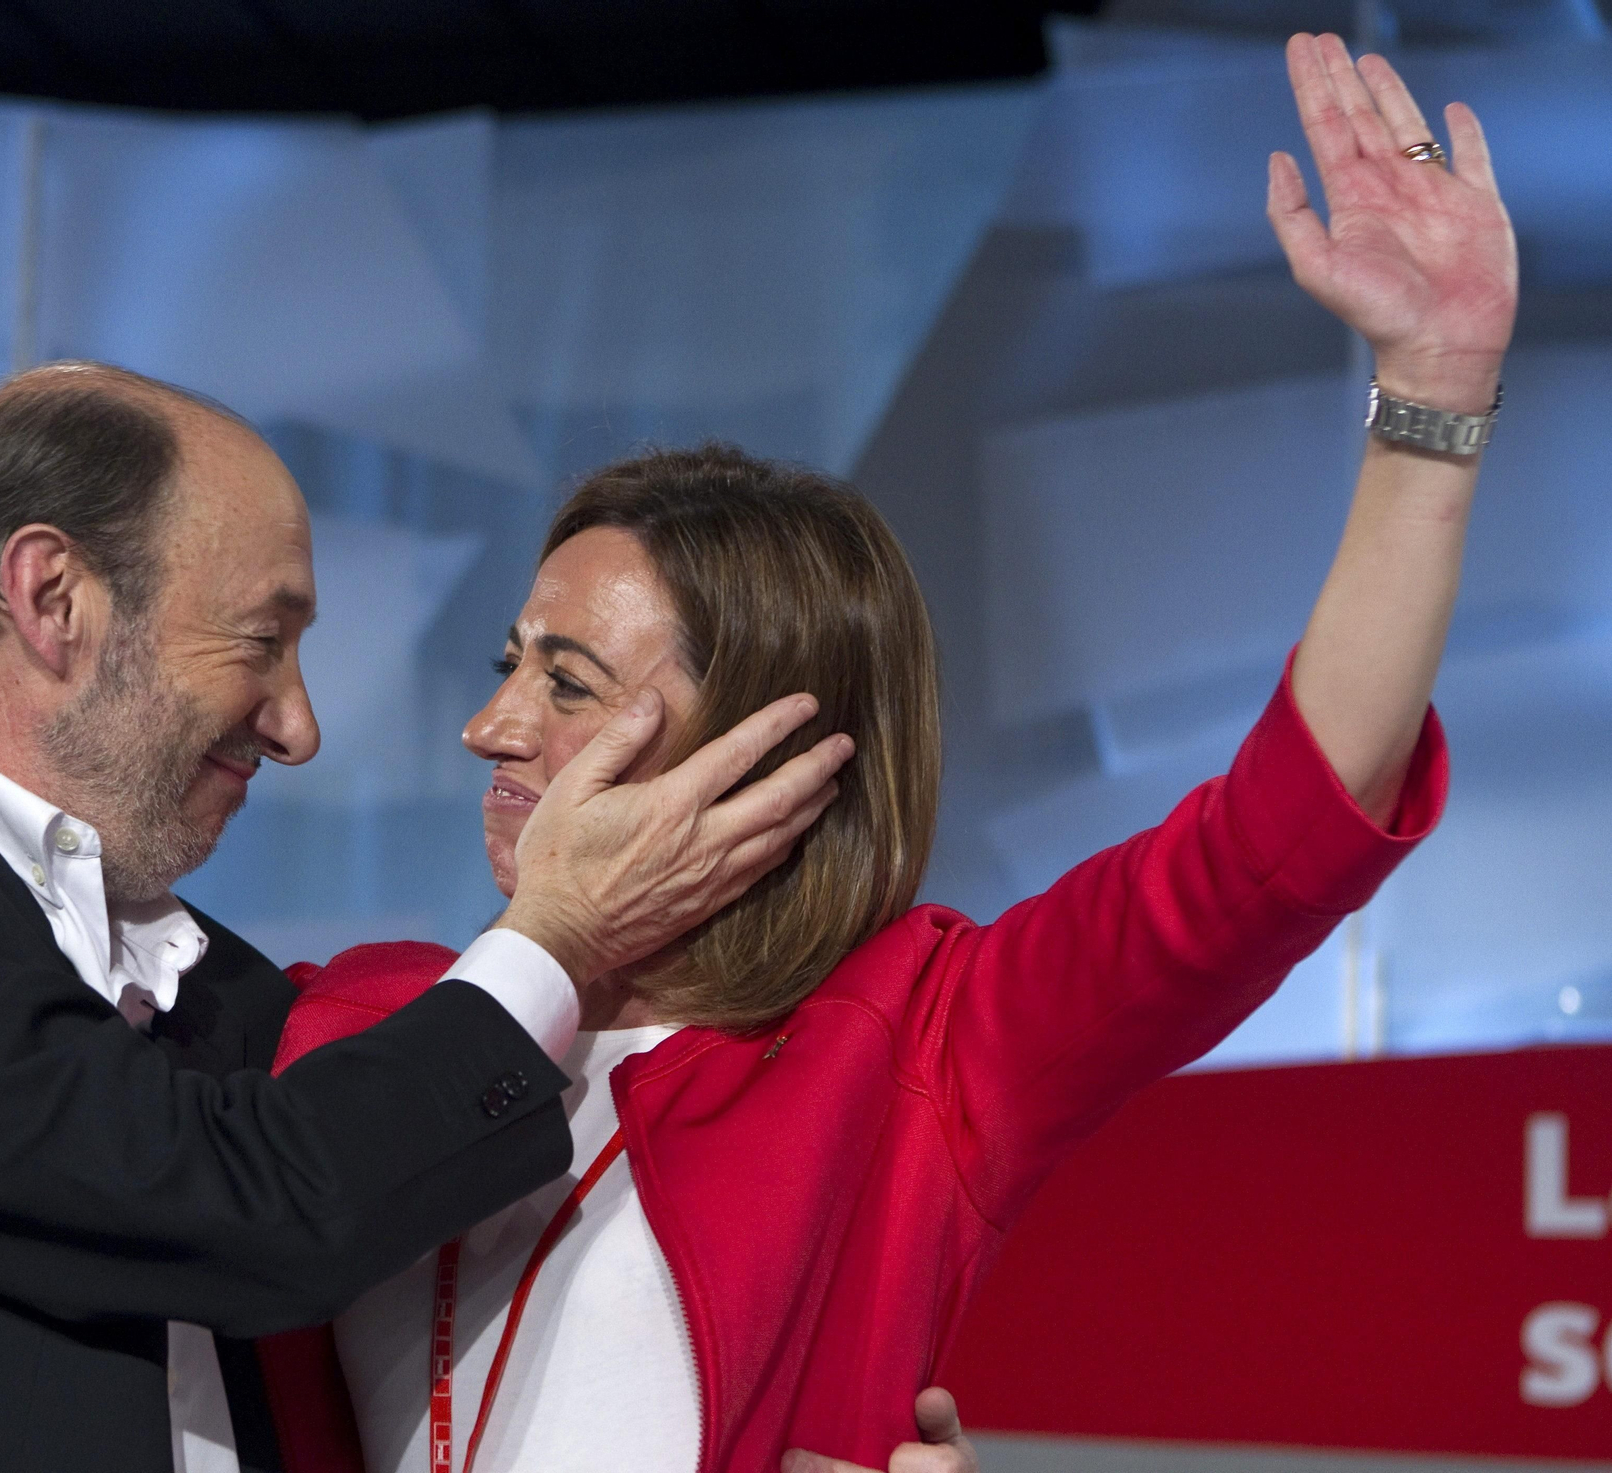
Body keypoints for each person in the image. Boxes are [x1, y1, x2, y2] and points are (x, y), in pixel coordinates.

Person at [239, 33, 1513, 1473]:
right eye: (506, 666)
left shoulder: (924, 1044)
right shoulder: (341, 1018)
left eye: (568, 681)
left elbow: (1279, 839)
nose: (492, 726)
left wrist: (1435, 398)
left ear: (764, 738)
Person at [0, 363, 858, 1472]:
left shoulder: (247, 1009)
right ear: (51, 597)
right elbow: (232, 1203)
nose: (297, 727)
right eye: (261, 640)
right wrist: (558, 938)